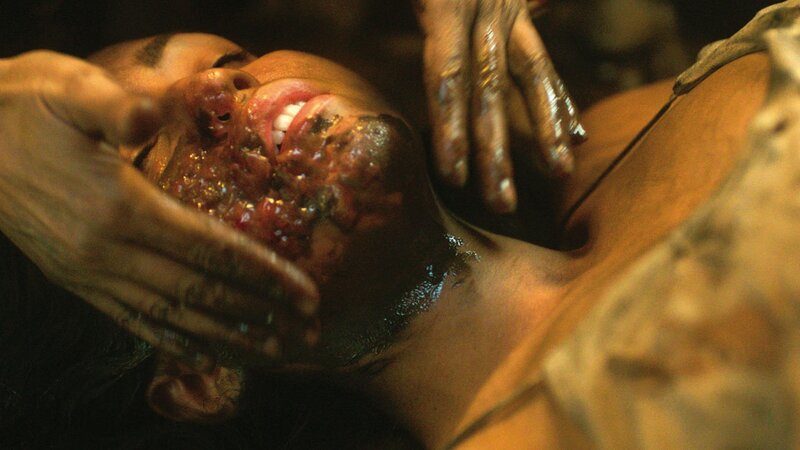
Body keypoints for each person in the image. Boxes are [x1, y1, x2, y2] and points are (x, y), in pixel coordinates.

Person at [3, 2, 799, 449]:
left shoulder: (621, 131)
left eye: (223, 58)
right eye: (147, 148)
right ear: (196, 374)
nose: (214, 92)